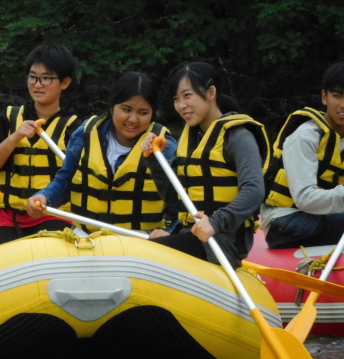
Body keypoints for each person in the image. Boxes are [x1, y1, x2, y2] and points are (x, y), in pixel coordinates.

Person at [141, 61, 269, 268]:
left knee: (147, 253)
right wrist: (154, 161)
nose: (181, 105)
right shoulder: (191, 139)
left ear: (211, 93)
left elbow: (254, 190)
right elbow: (175, 199)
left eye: (187, 95)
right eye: (176, 99)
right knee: (142, 245)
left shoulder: (238, 137)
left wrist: (215, 222)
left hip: (224, 240)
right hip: (192, 234)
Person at [26, 71, 175, 234]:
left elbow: (177, 201)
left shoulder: (163, 146)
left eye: (143, 113)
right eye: (126, 110)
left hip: (140, 239)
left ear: (153, 113)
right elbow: (64, 181)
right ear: (112, 108)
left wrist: (170, 231)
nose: (133, 119)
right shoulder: (84, 134)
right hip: (86, 236)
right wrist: (43, 197)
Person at [0, 43, 82, 245]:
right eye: (33, 77)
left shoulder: (75, 129)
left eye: (46, 78)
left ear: (65, 82)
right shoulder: (6, 119)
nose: (37, 84)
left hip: (54, 216)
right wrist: (14, 138)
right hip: (10, 219)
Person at [260, 61, 344, 249]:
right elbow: (305, 198)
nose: (342, 105)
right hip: (286, 223)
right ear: (324, 97)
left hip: (323, 217)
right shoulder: (305, 137)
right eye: (337, 96)